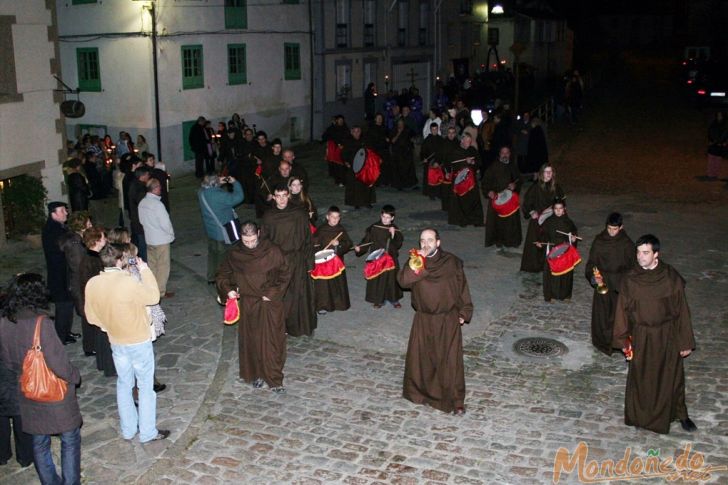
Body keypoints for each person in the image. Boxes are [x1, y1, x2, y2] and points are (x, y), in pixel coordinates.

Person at [0, 273, 82, 483]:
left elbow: (8, 362)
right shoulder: (42, 323)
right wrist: (74, 376)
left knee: (39, 442)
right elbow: (58, 364)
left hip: (28, 391)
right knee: (69, 439)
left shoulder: (5, 322)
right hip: (54, 393)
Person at [85, 244, 170, 443]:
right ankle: (148, 432)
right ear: (118, 261)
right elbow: (153, 297)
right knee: (145, 386)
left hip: (116, 340)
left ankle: (128, 429)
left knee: (124, 384)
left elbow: (91, 317)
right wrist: (145, 270)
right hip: (138, 340)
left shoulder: (93, 283)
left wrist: (108, 325)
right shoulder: (128, 282)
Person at [613, 234, 697, 434]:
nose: (640, 257)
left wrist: (685, 341)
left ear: (656, 254)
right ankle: (638, 416)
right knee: (641, 378)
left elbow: (682, 311)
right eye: (638, 252)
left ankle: (680, 414)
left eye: (645, 253)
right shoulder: (630, 278)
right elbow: (621, 312)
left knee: (672, 376)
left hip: (666, 335)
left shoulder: (670, 277)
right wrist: (624, 340)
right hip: (641, 335)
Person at [398, 229, 473, 415]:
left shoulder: (451, 262)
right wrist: (418, 263)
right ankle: (421, 394)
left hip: (447, 318)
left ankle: (455, 400)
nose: (426, 244)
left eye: (430, 240)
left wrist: (464, 311)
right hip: (424, 318)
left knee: (449, 360)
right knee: (422, 358)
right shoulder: (416, 260)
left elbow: (462, 287)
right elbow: (403, 281)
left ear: (438, 242)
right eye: (422, 240)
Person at [217, 221, 291, 393]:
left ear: (258, 233)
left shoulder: (272, 251)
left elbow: (285, 273)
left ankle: (274, 379)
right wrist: (228, 290)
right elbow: (222, 274)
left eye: (252, 240)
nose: (249, 244)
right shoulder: (235, 253)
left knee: (272, 341)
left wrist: (272, 293)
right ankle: (256, 374)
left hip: (268, 303)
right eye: (246, 241)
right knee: (252, 341)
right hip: (248, 303)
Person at [261, 185, 317, 337]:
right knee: (282, 296)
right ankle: (282, 327)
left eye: (284, 195)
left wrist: (309, 262)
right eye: (278, 196)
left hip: (297, 259)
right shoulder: (269, 216)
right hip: (278, 262)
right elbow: (264, 241)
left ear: (289, 196)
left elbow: (307, 238)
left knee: (299, 294)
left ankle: (301, 327)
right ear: (273, 197)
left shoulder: (299, 214)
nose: (281, 199)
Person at [585, 213, 635, 355]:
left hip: (619, 284)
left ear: (621, 227)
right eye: (609, 229)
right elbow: (591, 263)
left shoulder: (627, 244)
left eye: (615, 229)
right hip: (603, 282)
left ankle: (617, 342)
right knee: (602, 314)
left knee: (618, 315)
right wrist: (594, 278)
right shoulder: (599, 241)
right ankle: (602, 341)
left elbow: (633, 266)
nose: (612, 232)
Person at [42, 201, 79, 345]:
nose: (66, 213)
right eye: (63, 211)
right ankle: (60, 336)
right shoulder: (54, 231)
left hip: (63, 273)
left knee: (68, 305)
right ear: (54, 214)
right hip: (60, 275)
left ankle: (66, 332)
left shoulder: (59, 228)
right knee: (63, 306)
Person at [354, 205, 403, 309]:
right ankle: (378, 300)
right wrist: (360, 248)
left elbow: (398, 244)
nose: (385, 220)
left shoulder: (394, 229)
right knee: (378, 279)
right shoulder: (374, 227)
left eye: (388, 217)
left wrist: (393, 235)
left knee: (391, 279)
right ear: (381, 215)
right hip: (378, 258)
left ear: (392, 218)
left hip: (390, 258)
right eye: (383, 217)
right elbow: (366, 241)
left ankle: (394, 299)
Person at [198, 175, 244, 284]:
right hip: (223, 232)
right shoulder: (219, 195)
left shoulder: (201, 192)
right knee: (223, 256)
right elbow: (239, 197)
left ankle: (211, 277)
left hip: (211, 230)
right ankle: (222, 280)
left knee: (213, 254)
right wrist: (235, 182)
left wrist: (218, 182)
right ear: (215, 183)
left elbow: (209, 185)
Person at [59, 211, 93, 354]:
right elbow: (80, 267)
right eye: (88, 223)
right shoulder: (75, 243)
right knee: (87, 314)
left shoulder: (78, 239)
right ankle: (90, 347)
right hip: (80, 283)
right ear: (82, 225)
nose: (91, 225)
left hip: (82, 281)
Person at [520, 164, 564, 272]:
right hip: (538, 220)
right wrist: (532, 212)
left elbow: (562, 202)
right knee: (536, 245)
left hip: (552, 220)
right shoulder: (536, 187)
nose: (548, 174)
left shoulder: (556, 187)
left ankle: (549, 266)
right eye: (546, 171)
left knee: (551, 243)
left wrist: (558, 210)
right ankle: (534, 267)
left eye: (550, 172)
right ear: (541, 173)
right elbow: (526, 202)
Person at [312, 206, 353, 314]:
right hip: (324, 262)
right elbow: (314, 243)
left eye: (337, 217)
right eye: (332, 217)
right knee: (323, 285)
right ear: (327, 217)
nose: (335, 219)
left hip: (336, 261)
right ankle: (323, 305)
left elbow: (348, 243)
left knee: (336, 283)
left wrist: (339, 245)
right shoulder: (321, 229)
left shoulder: (341, 230)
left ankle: (338, 303)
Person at [138, 178, 175, 298]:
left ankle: (152, 288)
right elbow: (165, 223)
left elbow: (141, 221)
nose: (161, 188)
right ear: (155, 189)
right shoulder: (158, 205)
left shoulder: (142, 203)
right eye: (159, 186)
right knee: (163, 267)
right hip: (161, 240)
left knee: (152, 266)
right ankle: (160, 292)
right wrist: (171, 234)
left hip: (149, 239)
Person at [483, 147, 522, 249]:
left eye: (507, 153)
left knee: (511, 222)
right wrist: (489, 191)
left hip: (510, 199)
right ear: (499, 154)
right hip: (497, 197)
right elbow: (485, 182)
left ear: (510, 154)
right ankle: (498, 241)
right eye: (503, 153)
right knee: (497, 222)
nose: (505, 155)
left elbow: (519, 179)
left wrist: (515, 186)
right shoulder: (493, 167)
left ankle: (511, 241)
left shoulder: (513, 166)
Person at [540, 198, 578, 302]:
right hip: (553, 250)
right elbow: (543, 234)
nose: (558, 211)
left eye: (560, 208)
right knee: (552, 273)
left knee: (566, 273)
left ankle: (565, 295)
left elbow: (574, 233)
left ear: (564, 209)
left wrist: (573, 238)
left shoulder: (568, 222)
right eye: (556, 208)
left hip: (565, 251)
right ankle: (551, 294)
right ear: (553, 209)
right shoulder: (548, 222)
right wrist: (541, 242)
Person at [447, 134, 483, 227]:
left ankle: (476, 220)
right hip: (460, 181)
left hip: (471, 180)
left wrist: (473, 162)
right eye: (467, 141)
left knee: (474, 200)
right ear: (462, 141)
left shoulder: (472, 150)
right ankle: (463, 220)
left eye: (470, 142)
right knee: (461, 201)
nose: (469, 143)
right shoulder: (455, 151)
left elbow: (479, 162)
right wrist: (464, 162)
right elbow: (452, 164)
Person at [342, 126, 376, 209]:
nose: (357, 133)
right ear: (352, 132)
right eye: (355, 131)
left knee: (366, 185)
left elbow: (370, 151)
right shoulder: (348, 142)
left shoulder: (364, 141)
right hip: (353, 166)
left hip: (365, 167)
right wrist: (346, 162)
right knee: (355, 186)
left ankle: (367, 202)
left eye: (358, 131)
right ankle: (356, 203)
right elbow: (344, 153)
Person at [127, 166, 152, 261]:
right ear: (143, 176)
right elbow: (143, 205)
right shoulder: (140, 188)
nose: (149, 176)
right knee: (143, 245)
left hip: (136, 219)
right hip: (140, 221)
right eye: (147, 175)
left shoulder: (134, 184)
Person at [389, 118, 418, 191]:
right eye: (399, 123)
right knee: (399, 168)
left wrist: (413, 140)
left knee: (408, 168)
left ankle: (409, 184)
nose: (400, 125)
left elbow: (413, 136)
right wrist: (399, 133)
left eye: (402, 123)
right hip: (398, 153)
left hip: (406, 153)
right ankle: (399, 185)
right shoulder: (394, 130)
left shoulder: (407, 130)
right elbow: (392, 141)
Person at [699, 110, 726, 181]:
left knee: (718, 160)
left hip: (720, 144)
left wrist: (721, 142)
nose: (719, 117)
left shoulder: (725, 125)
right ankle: (710, 174)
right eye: (718, 115)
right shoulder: (713, 124)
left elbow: (725, 134)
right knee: (711, 159)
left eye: (720, 115)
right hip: (713, 144)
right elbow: (710, 132)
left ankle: (715, 174)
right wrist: (711, 140)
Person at [420, 122, 443, 200]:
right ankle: (431, 194)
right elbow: (423, 151)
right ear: (430, 130)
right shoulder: (427, 140)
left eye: (436, 129)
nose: (434, 131)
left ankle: (439, 193)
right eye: (433, 129)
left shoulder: (441, 139)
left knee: (439, 178)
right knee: (431, 179)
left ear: (438, 129)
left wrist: (439, 161)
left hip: (438, 162)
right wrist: (424, 158)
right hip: (429, 163)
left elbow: (443, 151)